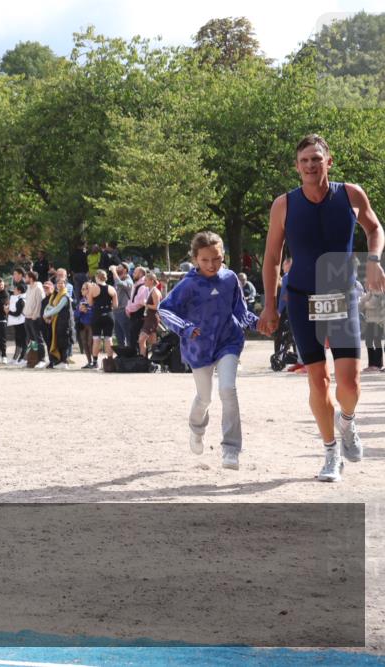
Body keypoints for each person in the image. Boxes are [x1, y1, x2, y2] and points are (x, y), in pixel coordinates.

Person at [259, 134, 385, 482]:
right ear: (297, 168)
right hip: (301, 297)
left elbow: (375, 228)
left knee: (351, 382)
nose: (311, 166)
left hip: (342, 294)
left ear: (329, 161)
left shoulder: (351, 194)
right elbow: (271, 257)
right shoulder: (283, 205)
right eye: (305, 161)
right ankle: (330, 452)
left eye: (317, 159)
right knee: (318, 379)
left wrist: (373, 260)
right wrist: (270, 306)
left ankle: (347, 421)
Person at [159, 232, 258, 470]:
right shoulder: (188, 285)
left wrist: (259, 323)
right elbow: (164, 310)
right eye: (205, 260)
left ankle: (231, 449)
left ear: (223, 256)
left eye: (217, 259)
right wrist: (185, 327)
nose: (212, 265)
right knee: (204, 398)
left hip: (228, 341)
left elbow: (241, 312)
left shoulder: (230, 279)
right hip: (198, 347)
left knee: (228, 389)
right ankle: (196, 429)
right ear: (195, 259)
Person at [86, 269, 118, 369]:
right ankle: (110, 361)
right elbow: (116, 305)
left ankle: (95, 362)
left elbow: (90, 303)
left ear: (96, 277)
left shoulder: (93, 288)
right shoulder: (112, 288)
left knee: (96, 339)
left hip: (97, 314)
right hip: (109, 314)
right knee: (109, 339)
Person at [44, 277, 74, 367]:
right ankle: (59, 361)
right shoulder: (56, 295)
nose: (60, 285)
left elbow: (57, 309)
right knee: (58, 341)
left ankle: (64, 362)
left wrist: (46, 314)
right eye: (58, 283)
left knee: (63, 342)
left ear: (65, 284)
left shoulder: (65, 296)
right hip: (57, 322)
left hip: (65, 323)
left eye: (62, 283)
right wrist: (45, 313)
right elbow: (49, 306)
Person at [22, 270, 48, 369]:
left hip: (34, 318)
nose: (25, 279)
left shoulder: (38, 288)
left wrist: (35, 315)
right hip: (27, 317)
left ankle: (42, 359)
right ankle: (32, 359)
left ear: (31, 278)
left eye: (26, 277)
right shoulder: (29, 288)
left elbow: (39, 303)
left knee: (38, 339)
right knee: (30, 340)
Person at [359, 284, 384, 371]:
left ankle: (378, 364)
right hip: (369, 321)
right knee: (368, 342)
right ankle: (372, 364)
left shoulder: (379, 293)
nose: (368, 285)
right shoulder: (370, 293)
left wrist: (365, 303)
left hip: (378, 322)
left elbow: (372, 304)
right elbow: (360, 304)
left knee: (377, 342)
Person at [109, 264, 134, 348]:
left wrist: (113, 271)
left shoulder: (129, 280)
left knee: (128, 334)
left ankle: (131, 354)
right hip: (116, 310)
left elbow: (120, 284)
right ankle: (122, 355)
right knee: (119, 335)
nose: (117, 268)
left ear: (125, 270)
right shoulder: (118, 279)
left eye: (120, 267)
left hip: (124, 311)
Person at [137, 272, 161, 357]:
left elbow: (157, 306)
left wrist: (145, 304)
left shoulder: (155, 292)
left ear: (151, 281)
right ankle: (154, 360)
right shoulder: (150, 290)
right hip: (149, 317)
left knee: (141, 339)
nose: (144, 282)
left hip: (152, 318)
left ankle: (143, 358)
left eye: (146, 280)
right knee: (152, 340)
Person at [8, 283, 27, 365]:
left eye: (15, 290)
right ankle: (16, 358)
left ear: (19, 291)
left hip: (22, 324)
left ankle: (22, 358)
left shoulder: (21, 300)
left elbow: (17, 313)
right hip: (18, 324)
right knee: (18, 341)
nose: (13, 291)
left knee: (23, 342)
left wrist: (8, 312)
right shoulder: (19, 299)